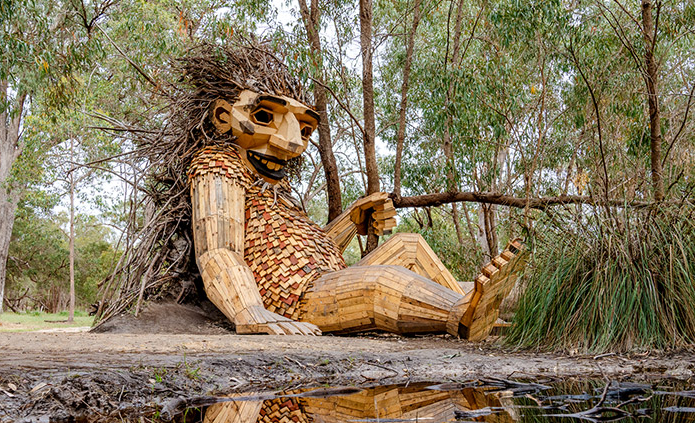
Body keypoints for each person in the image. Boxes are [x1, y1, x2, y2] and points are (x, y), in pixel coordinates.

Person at [188, 50, 523, 341]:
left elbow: (309, 254)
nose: (290, 143)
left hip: (322, 281)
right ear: (223, 117)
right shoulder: (219, 166)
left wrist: (351, 220)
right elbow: (218, 249)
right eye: (264, 117)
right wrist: (249, 310)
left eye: (303, 131)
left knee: (409, 246)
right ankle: (457, 315)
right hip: (294, 299)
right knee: (378, 283)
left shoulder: (278, 191)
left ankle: (505, 304)